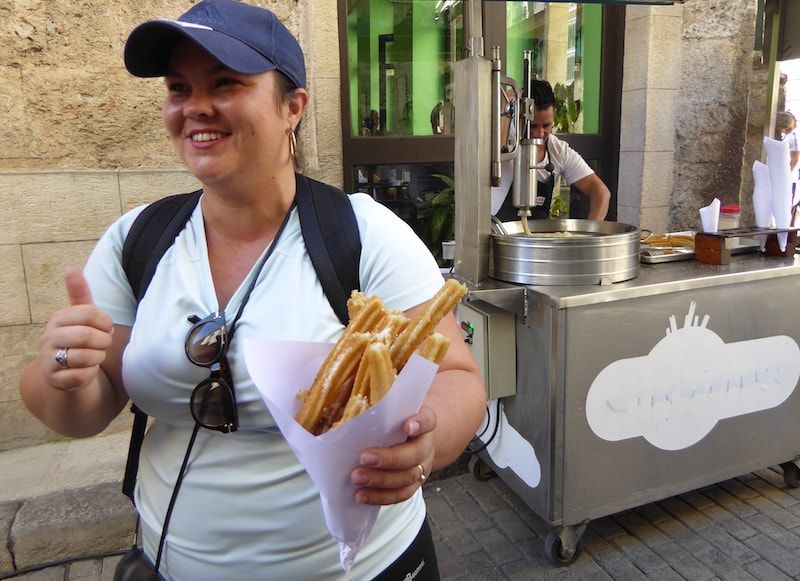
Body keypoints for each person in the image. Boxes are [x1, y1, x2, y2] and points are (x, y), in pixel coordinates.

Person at [17, 1, 486, 579]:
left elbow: (457, 378)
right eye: (178, 87)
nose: (195, 107)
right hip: (176, 563)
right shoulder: (138, 240)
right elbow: (86, 411)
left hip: (362, 567)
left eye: (225, 83)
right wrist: (62, 371)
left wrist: (426, 444)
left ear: (294, 108)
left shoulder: (361, 234)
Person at [492, 79, 611, 221]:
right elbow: (491, 158)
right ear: (518, 115)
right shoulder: (502, 139)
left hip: (535, 238)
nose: (539, 134)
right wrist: (505, 107)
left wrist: (592, 234)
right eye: (533, 126)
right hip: (496, 233)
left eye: (546, 126)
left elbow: (600, 192)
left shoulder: (558, 150)